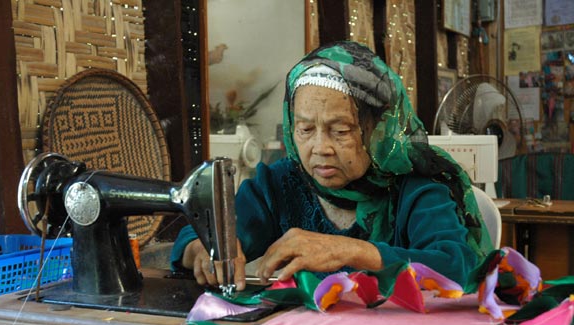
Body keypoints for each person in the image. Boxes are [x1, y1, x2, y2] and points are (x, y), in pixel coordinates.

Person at [171, 40, 493, 292]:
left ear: (378, 130)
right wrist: (201, 250)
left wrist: (351, 251)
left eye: (340, 131)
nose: (320, 148)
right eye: (305, 130)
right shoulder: (281, 183)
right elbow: (205, 232)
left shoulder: (417, 187)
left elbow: (458, 268)